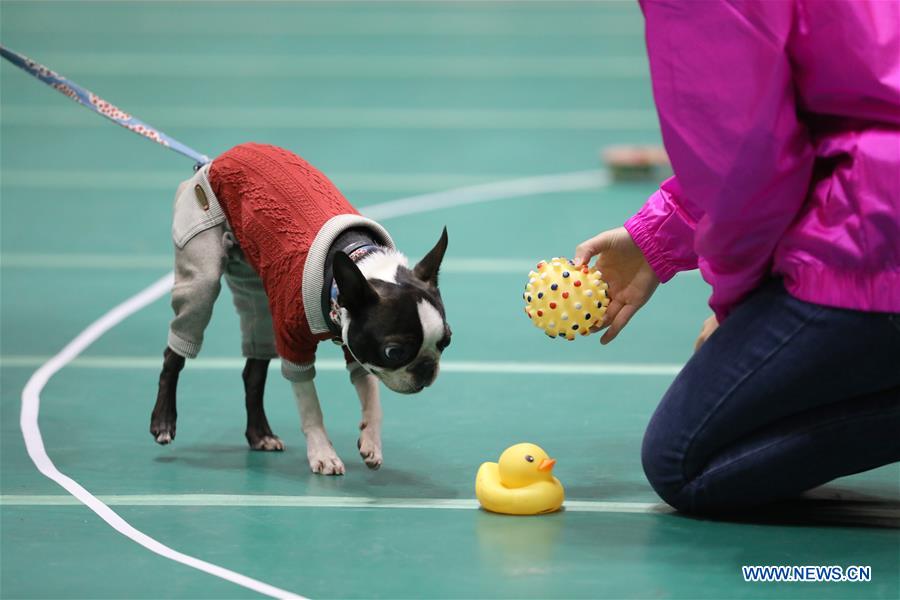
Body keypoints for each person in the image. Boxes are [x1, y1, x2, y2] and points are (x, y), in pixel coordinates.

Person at [575, 0, 900, 514]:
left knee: (684, 462)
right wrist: (657, 237)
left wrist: (739, 310)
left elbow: (749, 168)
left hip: (882, 238)